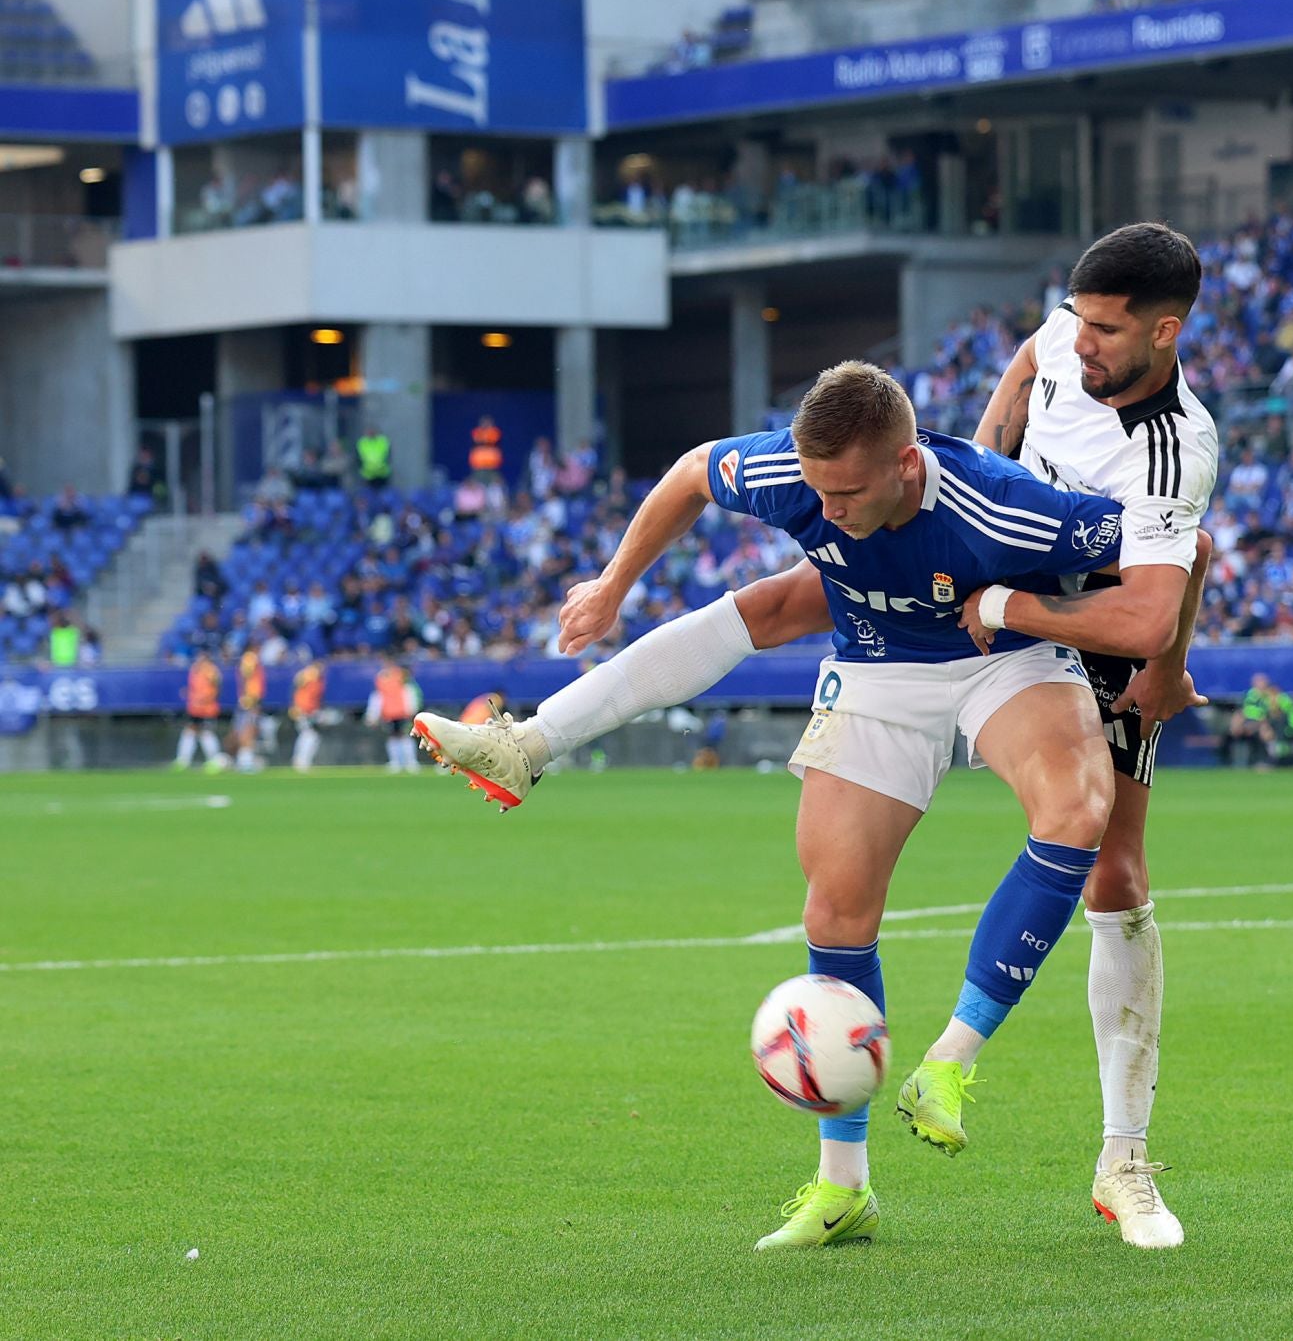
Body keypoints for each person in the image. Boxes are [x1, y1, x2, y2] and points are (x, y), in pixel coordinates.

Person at [414, 224, 1217, 1249]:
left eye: (848, 493)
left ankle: (987, 1082)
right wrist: (613, 584)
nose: (823, 507)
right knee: (835, 899)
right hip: (883, 658)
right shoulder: (824, 466)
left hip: (1008, 638)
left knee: (1097, 835)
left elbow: (1172, 565)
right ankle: (845, 1185)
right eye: (817, 491)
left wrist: (1098, 631)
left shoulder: (1046, 506)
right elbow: (694, 472)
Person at [366, 657, 420, 773]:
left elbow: (408, 691)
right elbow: (378, 696)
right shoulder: (380, 677)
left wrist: (411, 708)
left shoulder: (401, 675)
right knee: (393, 737)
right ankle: (395, 762)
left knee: (404, 735)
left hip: (402, 712)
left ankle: (410, 762)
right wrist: (373, 714)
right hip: (389, 713)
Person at [174, 651, 225, 770]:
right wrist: (188, 693)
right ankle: (183, 760)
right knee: (190, 730)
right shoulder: (195, 670)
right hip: (195, 708)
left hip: (207, 708)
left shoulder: (211, 670)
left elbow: (216, 688)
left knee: (206, 732)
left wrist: (206, 699)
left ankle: (215, 760)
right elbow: (196, 688)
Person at [229, 641, 267, 772]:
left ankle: (244, 760)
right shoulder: (250, 658)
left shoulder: (249, 659)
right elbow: (246, 677)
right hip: (250, 700)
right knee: (248, 730)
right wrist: (248, 697)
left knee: (248, 729)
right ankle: (245, 761)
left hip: (250, 699)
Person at [290, 659, 327, 772]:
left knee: (309, 735)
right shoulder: (307, 676)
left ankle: (301, 760)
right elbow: (297, 682)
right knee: (308, 735)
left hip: (310, 711)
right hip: (303, 710)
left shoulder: (318, 681)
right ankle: (301, 760)